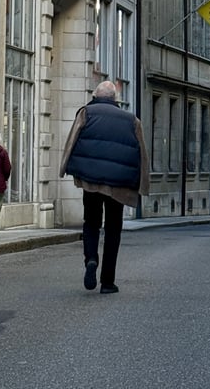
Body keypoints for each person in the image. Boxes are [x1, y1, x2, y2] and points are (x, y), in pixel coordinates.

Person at [60, 80, 149, 294]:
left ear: (95, 95)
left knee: (91, 222)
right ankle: (108, 282)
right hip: (119, 184)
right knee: (113, 229)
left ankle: (91, 258)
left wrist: (64, 167)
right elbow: (142, 154)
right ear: (115, 99)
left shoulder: (86, 112)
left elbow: (72, 140)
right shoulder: (132, 120)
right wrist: (143, 186)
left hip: (91, 180)